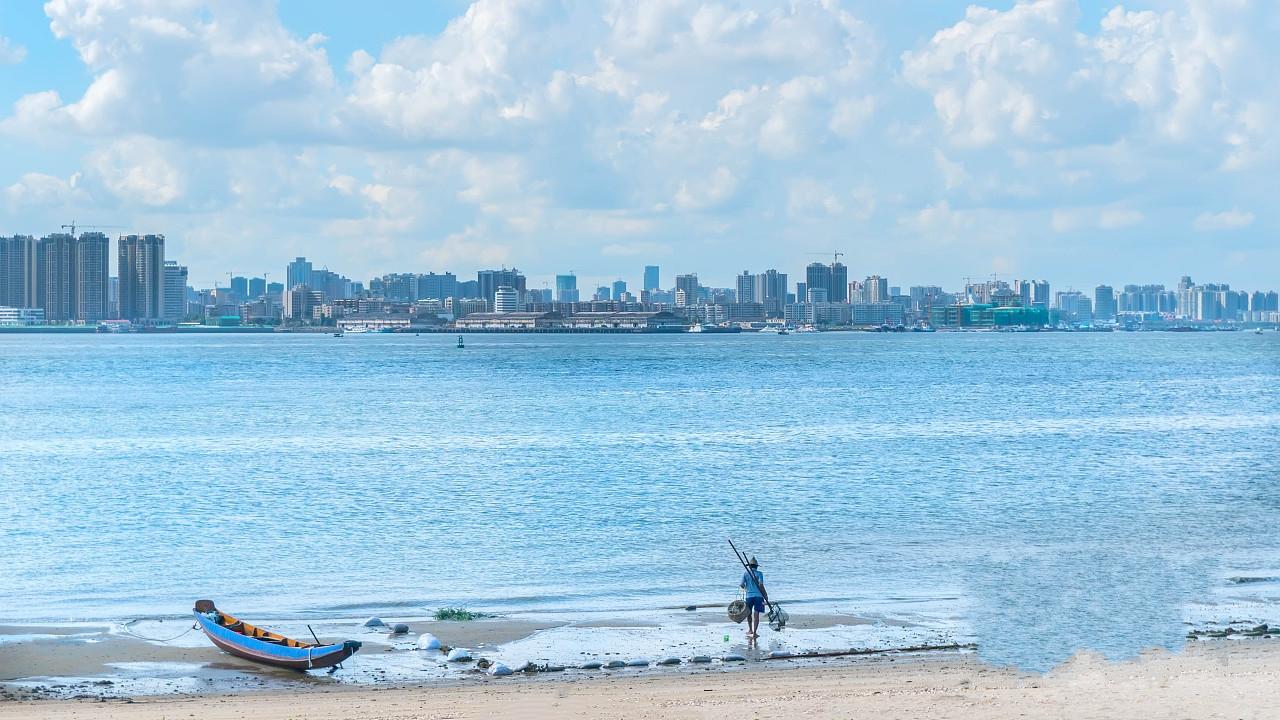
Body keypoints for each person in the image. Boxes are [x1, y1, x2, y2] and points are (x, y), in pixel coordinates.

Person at [739, 556, 766, 639]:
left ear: (750, 566)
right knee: (756, 613)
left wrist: (746, 588)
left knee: (748, 613)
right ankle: (754, 633)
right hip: (758, 596)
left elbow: (742, 585)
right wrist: (765, 594)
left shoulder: (746, 573)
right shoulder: (759, 574)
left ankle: (750, 629)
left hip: (749, 596)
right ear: (756, 566)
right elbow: (761, 586)